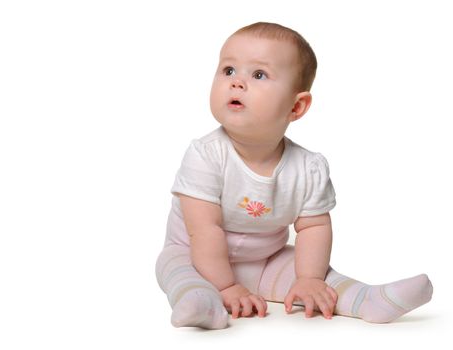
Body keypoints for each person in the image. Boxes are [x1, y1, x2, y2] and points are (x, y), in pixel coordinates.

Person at [155, 22, 433, 329]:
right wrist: (225, 287)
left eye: (258, 74)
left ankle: (366, 299)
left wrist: (309, 279)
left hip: (264, 261)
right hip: (195, 256)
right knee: (177, 270)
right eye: (228, 70)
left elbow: (313, 226)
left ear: (296, 106)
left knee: (317, 278)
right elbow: (203, 230)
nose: (237, 83)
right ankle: (200, 303)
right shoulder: (206, 155)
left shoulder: (308, 167)